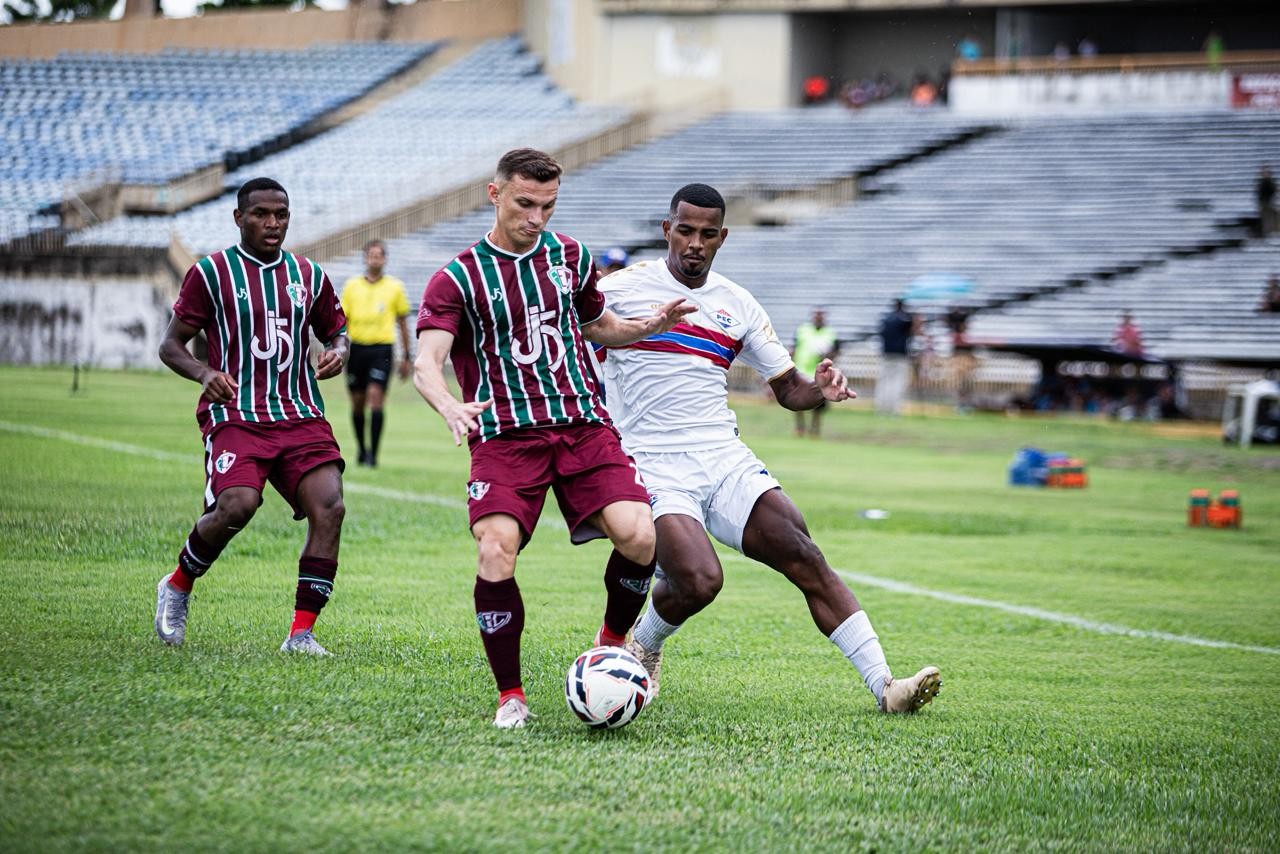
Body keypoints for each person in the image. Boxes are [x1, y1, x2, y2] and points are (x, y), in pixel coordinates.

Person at [598, 183, 942, 715]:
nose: (694, 243)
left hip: (723, 458)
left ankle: (886, 687)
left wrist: (819, 390)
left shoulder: (737, 304)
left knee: (803, 551)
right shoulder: (619, 289)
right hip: (651, 463)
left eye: (707, 234)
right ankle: (645, 642)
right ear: (667, 230)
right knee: (699, 579)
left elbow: (788, 389)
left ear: (722, 237)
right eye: (685, 231)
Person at [412, 148, 696, 729]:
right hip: (504, 436)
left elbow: (595, 326)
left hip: (582, 425)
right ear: (495, 195)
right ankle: (510, 696)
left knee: (641, 536)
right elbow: (426, 362)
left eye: (547, 205)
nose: (536, 218)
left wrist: (650, 327)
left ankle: (612, 645)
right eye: (524, 204)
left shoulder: (571, 257)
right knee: (496, 550)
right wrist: (447, 404)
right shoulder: (457, 277)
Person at [154, 177, 349, 657]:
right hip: (237, 415)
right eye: (261, 214)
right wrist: (204, 373)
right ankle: (178, 585)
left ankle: (300, 634)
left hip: (300, 415)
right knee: (238, 505)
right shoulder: (212, 274)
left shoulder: (309, 275)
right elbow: (170, 345)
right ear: (239, 218)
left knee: (331, 508)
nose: (273, 223)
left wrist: (338, 351)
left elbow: (338, 330)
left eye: (281, 214)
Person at [341, 239, 411, 467]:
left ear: (385, 259)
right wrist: (340, 350)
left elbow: (402, 322)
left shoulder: (395, 287)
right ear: (365, 258)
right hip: (357, 349)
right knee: (358, 403)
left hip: (382, 349)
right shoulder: (352, 286)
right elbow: (344, 321)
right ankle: (361, 448)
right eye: (370, 255)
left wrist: (406, 356)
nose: (374, 259)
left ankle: (374, 455)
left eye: (378, 255)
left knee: (375, 398)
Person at [793, 307, 839, 435]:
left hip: (820, 374)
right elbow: (795, 348)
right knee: (798, 401)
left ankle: (815, 429)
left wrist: (827, 356)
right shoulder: (803, 330)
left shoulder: (830, 333)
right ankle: (800, 427)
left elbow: (835, 351)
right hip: (801, 370)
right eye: (816, 315)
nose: (818, 317)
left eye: (820, 315)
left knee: (818, 405)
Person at [876, 299, 913, 415]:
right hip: (900, 355)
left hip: (886, 354)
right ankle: (894, 409)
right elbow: (912, 329)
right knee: (898, 382)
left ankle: (881, 408)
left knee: (884, 382)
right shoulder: (905, 320)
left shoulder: (886, 319)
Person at [1257, 166, 1276, 237]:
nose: (1266, 174)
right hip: (1264, 202)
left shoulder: (1270, 182)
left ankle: (1271, 230)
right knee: (1265, 217)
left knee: (1270, 216)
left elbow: (1273, 191)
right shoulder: (1262, 183)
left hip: (1269, 202)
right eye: (1265, 172)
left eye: (1267, 172)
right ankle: (1266, 230)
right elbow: (1259, 193)